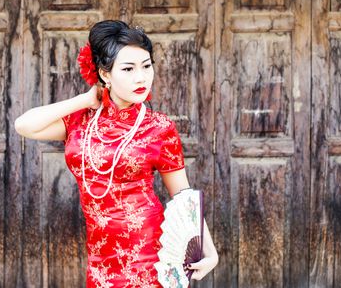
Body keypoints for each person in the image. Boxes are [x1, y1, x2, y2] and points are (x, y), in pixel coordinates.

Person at [15, 20, 218, 287]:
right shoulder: (81, 121)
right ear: (105, 74)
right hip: (100, 255)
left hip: (147, 251)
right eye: (128, 69)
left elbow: (182, 194)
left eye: (147, 66)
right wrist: (86, 100)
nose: (141, 77)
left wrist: (209, 250)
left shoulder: (158, 127)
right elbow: (24, 125)